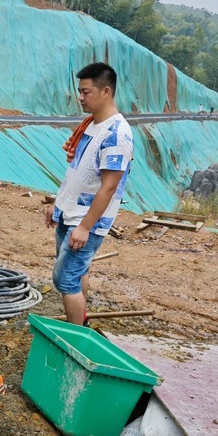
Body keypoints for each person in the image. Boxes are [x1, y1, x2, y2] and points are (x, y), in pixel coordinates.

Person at [45, 62, 133, 327]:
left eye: (86, 92)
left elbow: (109, 187)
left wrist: (85, 227)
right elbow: (77, 172)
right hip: (70, 213)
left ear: (106, 92)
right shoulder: (92, 125)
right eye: (80, 92)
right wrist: (58, 203)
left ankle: (76, 339)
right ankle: (80, 324)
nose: (81, 98)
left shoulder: (116, 134)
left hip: (86, 221)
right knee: (77, 274)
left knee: (65, 279)